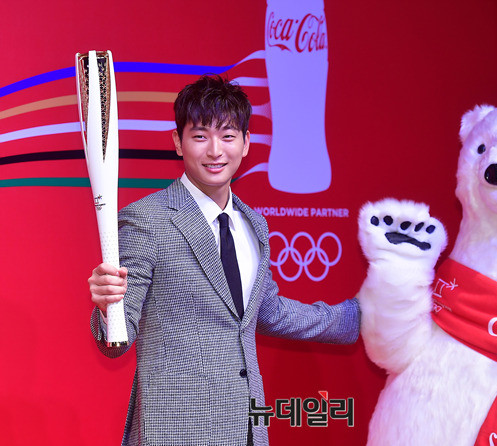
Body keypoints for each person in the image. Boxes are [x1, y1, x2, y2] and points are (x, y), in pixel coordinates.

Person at [88, 74, 360, 446]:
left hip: (247, 429)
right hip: (175, 432)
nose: (215, 151)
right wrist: (108, 307)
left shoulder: (254, 225)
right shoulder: (146, 220)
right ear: (178, 142)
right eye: (200, 136)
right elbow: (116, 340)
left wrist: (358, 317)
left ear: (246, 143)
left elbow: (268, 312)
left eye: (228, 136)